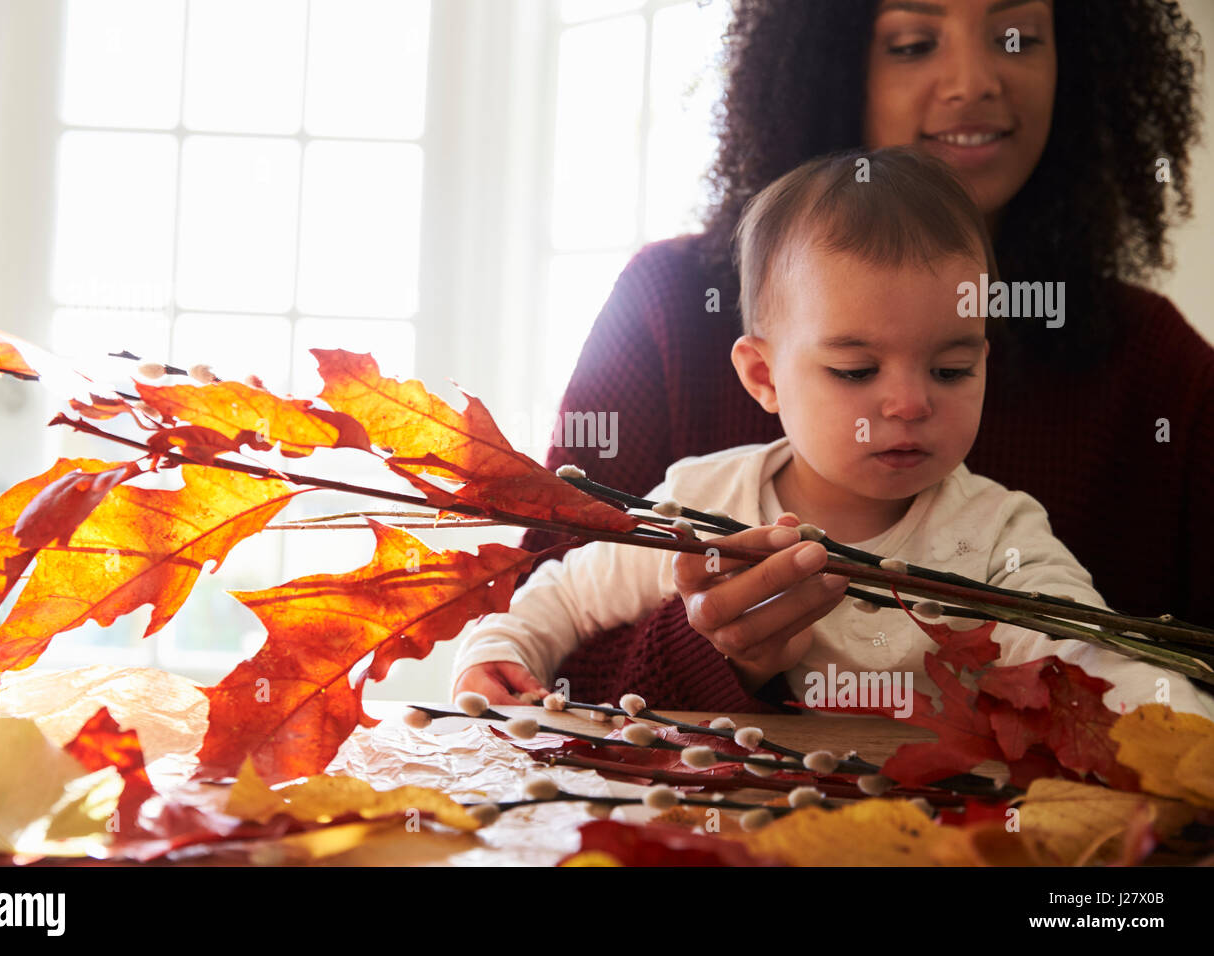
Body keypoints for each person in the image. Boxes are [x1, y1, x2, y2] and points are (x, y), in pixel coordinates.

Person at [492, 0, 1213, 711]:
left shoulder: (1001, 527)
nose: (974, 81)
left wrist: (1180, 727)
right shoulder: (703, 498)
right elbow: (557, 608)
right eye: (912, 42)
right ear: (762, 374)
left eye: (1017, 37)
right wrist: (689, 653)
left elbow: (1088, 658)